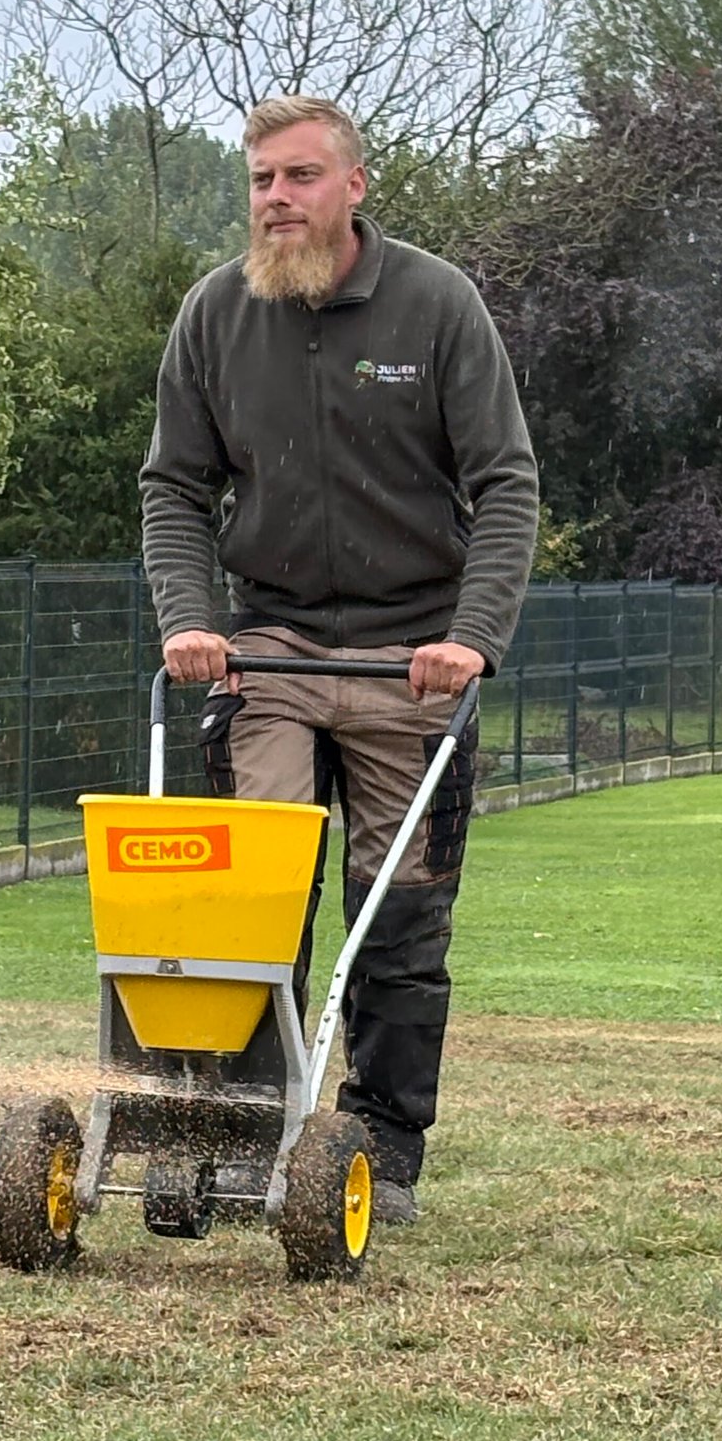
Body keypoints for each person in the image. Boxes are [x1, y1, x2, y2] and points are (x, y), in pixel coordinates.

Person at [139, 94, 538, 1224]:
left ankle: (380, 1147)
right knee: (247, 905)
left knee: (398, 916)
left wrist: (469, 638)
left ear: (353, 186)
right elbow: (173, 486)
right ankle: (221, 1135)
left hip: (411, 655)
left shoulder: (435, 305)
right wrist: (187, 617)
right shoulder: (215, 314)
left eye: (300, 178)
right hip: (263, 644)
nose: (276, 200)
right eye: (262, 180)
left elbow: (504, 483)